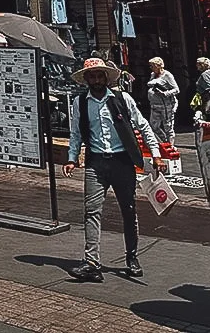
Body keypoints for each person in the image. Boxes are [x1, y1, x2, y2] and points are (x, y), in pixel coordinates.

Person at [63, 57, 163, 282]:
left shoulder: (122, 99)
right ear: (86, 79)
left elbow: (143, 125)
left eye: (100, 75)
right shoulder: (80, 103)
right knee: (92, 210)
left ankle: (132, 257)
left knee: (128, 210)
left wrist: (155, 154)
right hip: (95, 162)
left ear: (106, 78)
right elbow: (76, 133)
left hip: (122, 162)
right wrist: (72, 158)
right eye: (92, 76)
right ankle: (92, 262)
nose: (97, 80)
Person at [145, 57, 179, 145]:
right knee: (153, 126)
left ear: (158, 66)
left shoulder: (167, 75)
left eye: (152, 66)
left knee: (168, 126)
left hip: (165, 105)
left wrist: (165, 93)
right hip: (154, 105)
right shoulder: (153, 75)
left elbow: (176, 89)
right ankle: (165, 141)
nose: (151, 68)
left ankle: (170, 145)